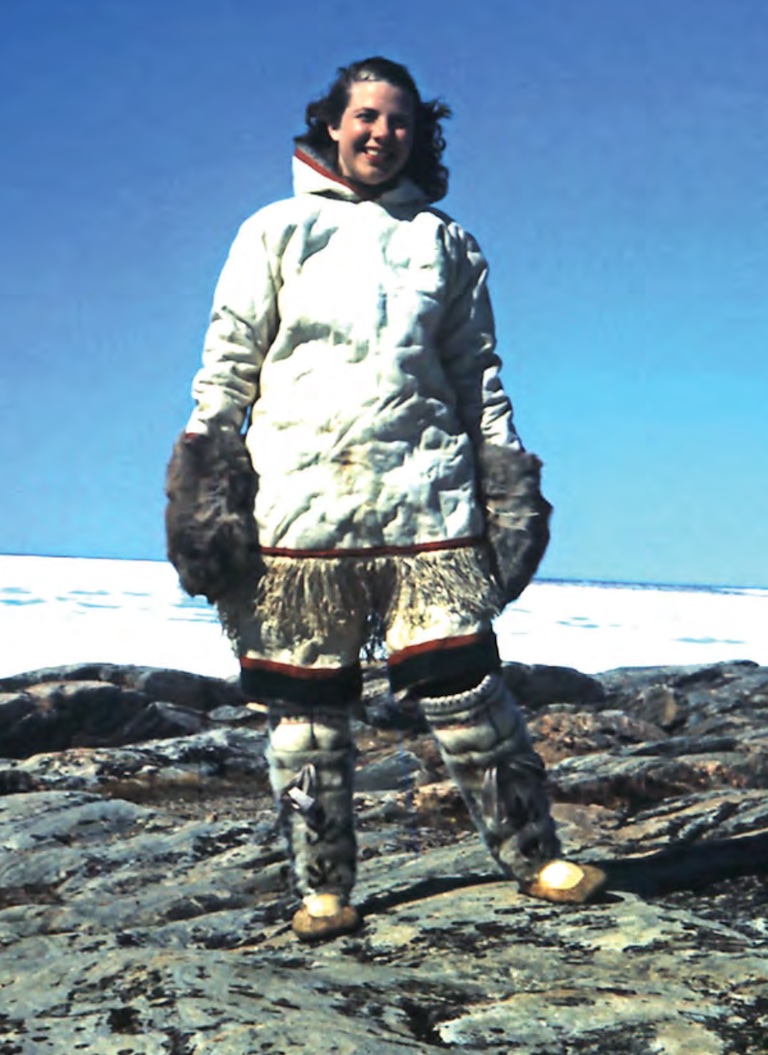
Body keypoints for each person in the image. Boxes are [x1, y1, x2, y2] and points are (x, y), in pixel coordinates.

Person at [166, 56, 605, 943]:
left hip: (426, 505)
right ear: (332, 123)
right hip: (300, 507)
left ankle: (534, 857)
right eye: (365, 116)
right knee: (307, 715)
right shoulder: (274, 232)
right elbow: (227, 368)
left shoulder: (447, 244)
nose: (380, 133)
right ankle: (323, 888)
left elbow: (477, 376)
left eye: (399, 121)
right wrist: (206, 482)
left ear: (418, 134)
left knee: (469, 692)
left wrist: (505, 475)